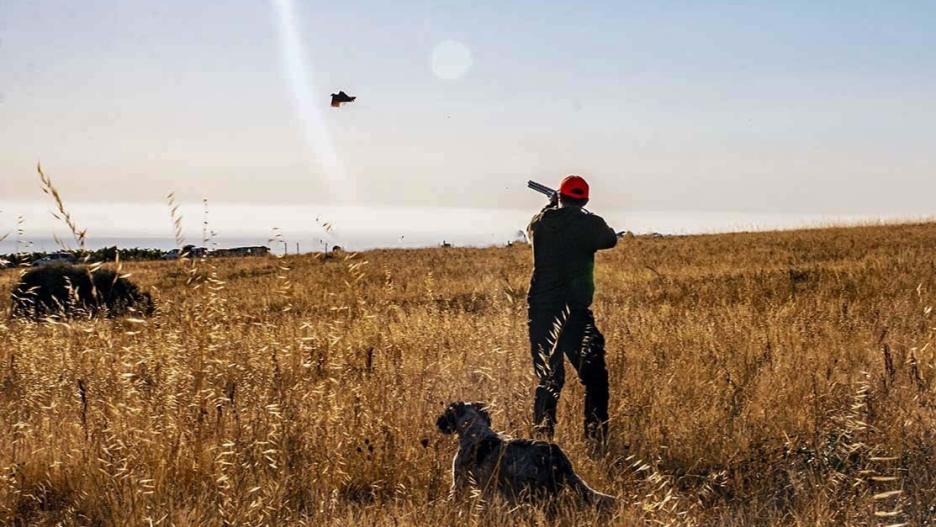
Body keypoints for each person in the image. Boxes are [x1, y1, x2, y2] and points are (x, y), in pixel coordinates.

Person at [526, 175, 618, 444]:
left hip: (541, 313)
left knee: (549, 379)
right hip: (576, 315)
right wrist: (584, 214)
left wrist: (550, 206)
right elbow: (610, 239)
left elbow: (530, 229)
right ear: (586, 200)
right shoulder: (591, 225)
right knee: (595, 378)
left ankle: (542, 443)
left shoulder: (542, 222)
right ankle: (596, 440)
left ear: (560, 197)